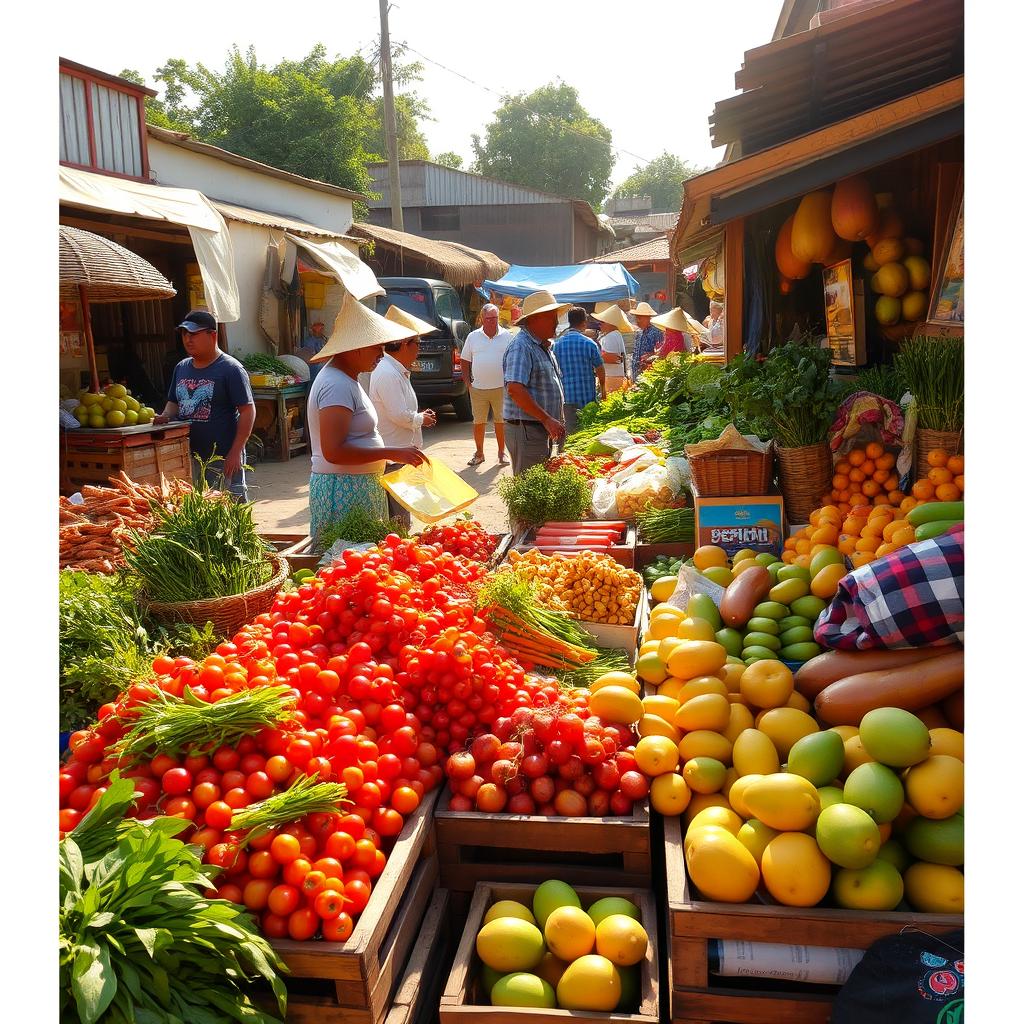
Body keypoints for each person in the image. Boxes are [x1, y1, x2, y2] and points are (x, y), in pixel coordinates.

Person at [305, 293, 428, 547]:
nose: (382, 354)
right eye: (377, 347)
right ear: (357, 347)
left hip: (356, 487)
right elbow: (334, 451)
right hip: (342, 490)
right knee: (342, 561)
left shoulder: (348, 379)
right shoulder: (336, 384)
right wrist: (393, 452)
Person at [155, 309, 255, 500]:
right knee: (195, 509)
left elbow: (247, 411)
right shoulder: (181, 368)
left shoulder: (231, 369)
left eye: (193, 334)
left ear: (213, 335)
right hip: (188, 457)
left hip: (222, 458)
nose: (188, 339)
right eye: (184, 334)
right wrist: (165, 416)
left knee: (229, 507)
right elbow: (173, 402)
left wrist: (235, 452)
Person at [368, 305, 438, 529]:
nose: (419, 349)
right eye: (417, 343)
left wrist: (419, 417)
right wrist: (420, 419)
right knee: (398, 522)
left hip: (400, 455)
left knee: (401, 519)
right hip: (393, 457)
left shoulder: (396, 370)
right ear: (404, 344)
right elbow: (398, 414)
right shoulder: (387, 373)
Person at [502, 289, 569, 474]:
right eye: (552, 317)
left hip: (538, 429)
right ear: (535, 319)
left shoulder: (542, 346)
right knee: (529, 485)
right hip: (527, 430)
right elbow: (515, 389)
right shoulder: (521, 346)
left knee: (538, 484)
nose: (557, 322)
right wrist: (546, 419)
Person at [460, 303, 512, 467]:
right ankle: (479, 453)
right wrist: (468, 382)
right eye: (488, 318)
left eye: (494, 318)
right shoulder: (473, 337)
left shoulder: (507, 336)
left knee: (501, 422)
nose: (492, 321)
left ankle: (502, 453)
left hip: (501, 387)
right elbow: (464, 360)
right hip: (478, 389)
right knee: (479, 422)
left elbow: (512, 359)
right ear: (482, 319)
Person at [552, 306, 606, 434]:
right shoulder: (589, 343)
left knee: (568, 434)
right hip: (587, 399)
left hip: (566, 398)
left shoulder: (556, 345)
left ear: (569, 322)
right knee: (587, 433)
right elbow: (600, 369)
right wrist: (603, 389)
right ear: (584, 323)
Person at [592, 304, 631, 392]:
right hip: (613, 376)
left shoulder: (611, 336)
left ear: (610, 323)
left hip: (612, 377)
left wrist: (593, 357)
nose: (599, 324)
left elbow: (613, 358)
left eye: (602, 322)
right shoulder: (613, 334)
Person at [630, 301, 663, 380]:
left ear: (648, 318)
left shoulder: (656, 332)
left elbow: (661, 353)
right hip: (637, 374)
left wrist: (651, 356)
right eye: (636, 318)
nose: (637, 321)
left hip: (648, 374)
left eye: (639, 318)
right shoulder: (639, 333)